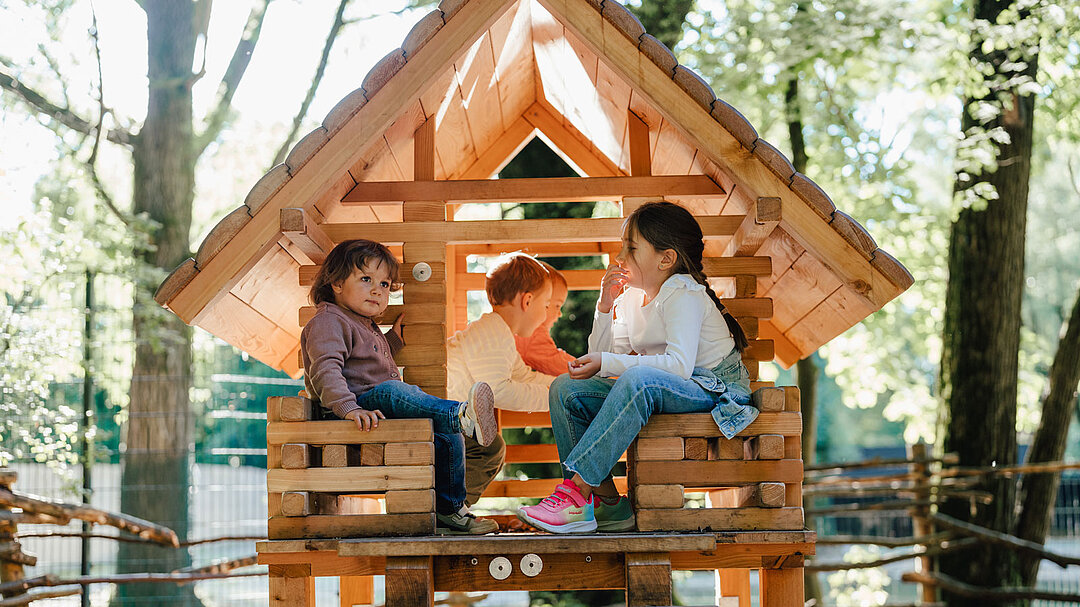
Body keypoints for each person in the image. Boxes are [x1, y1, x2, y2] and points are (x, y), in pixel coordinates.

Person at [518, 201, 757, 533]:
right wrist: (604, 307)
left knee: (639, 377)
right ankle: (607, 506)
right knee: (566, 389)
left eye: (631, 249)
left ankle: (575, 494)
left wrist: (611, 362)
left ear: (665, 258)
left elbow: (678, 367)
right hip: (663, 387)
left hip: (713, 389)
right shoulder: (630, 298)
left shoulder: (683, 293)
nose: (620, 258)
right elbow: (603, 362)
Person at [301, 239, 499, 535]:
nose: (377, 290)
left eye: (384, 283)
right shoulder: (329, 321)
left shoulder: (363, 324)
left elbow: (365, 360)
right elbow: (325, 369)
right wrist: (347, 407)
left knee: (447, 436)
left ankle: (451, 509)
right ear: (337, 282)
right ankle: (462, 416)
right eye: (366, 279)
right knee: (397, 391)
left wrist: (391, 342)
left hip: (372, 407)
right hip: (350, 410)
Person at [447, 252, 558, 505]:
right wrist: (555, 397)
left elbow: (522, 376)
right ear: (527, 301)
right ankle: (451, 508)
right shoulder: (492, 331)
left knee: (488, 450)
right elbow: (498, 391)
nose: (547, 312)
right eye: (547, 304)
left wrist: (563, 386)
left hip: (452, 416)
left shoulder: (498, 332)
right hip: (446, 415)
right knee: (489, 450)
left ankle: (450, 507)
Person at [514, 261, 576, 376]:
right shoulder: (532, 331)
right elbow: (557, 363)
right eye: (557, 306)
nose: (560, 314)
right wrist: (591, 370)